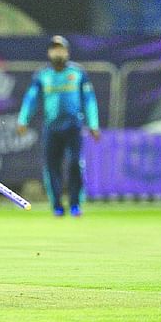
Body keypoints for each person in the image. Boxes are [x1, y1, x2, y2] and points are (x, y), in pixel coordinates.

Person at [17, 35, 99, 217]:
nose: (57, 52)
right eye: (54, 49)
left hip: (74, 127)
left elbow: (89, 99)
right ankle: (57, 206)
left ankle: (76, 204)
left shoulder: (78, 73)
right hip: (52, 128)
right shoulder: (42, 75)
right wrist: (23, 119)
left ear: (67, 52)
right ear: (49, 52)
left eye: (60, 48)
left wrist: (93, 123)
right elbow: (31, 98)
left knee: (75, 164)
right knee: (51, 166)